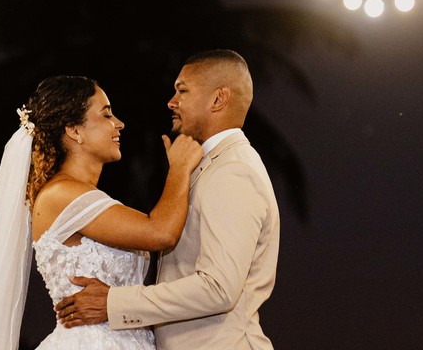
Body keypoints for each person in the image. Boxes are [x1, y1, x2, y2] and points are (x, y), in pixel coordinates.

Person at [53, 49, 281, 349]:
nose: (171, 102)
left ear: (218, 99)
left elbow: (218, 288)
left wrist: (114, 302)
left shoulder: (234, 169)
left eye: (182, 91)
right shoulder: (208, 165)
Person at [0, 74, 203, 350]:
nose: (119, 124)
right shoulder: (60, 195)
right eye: (106, 115)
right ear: (74, 130)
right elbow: (161, 233)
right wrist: (180, 169)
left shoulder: (82, 196)